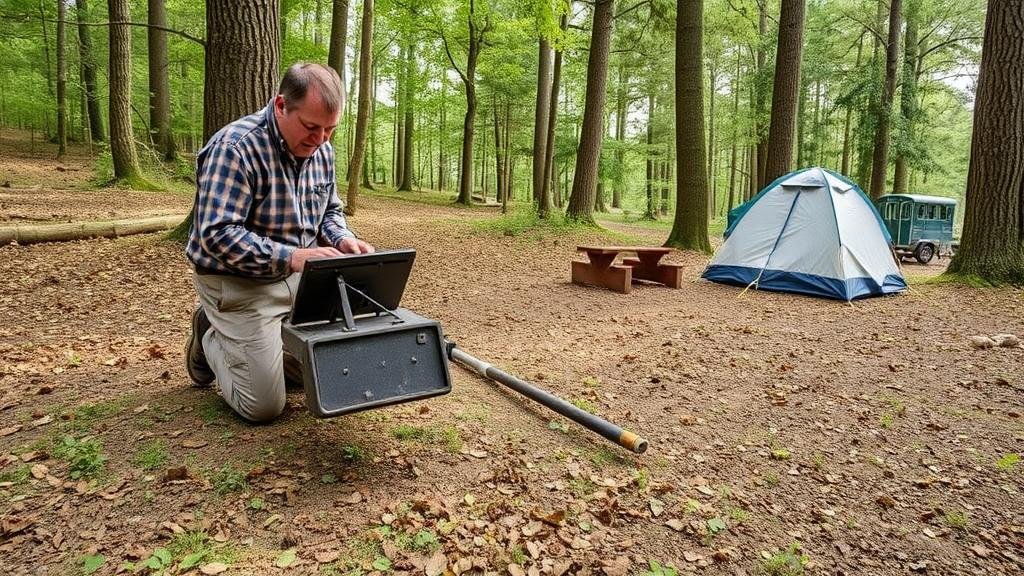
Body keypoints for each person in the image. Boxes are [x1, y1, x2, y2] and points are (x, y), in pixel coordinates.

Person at [185, 62, 374, 423]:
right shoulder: (235, 148)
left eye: (330, 130)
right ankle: (210, 334)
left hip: (299, 277)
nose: (320, 140)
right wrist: (292, 256)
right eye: (311, 127)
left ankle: (259, 345)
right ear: (280, 106)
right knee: (264, 407)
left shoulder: (322, 150)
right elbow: (217, 235)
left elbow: (329, 212)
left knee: (325, 372)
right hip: (238, 281)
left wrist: (344, 238)